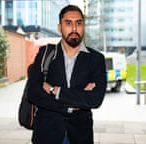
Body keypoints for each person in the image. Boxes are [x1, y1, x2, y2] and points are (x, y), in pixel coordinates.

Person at [27, 5, 107, 144]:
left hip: (80, 135)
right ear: (60, 27)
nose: (74, 29)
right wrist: (75, 101)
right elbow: (33, 93)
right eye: (68, 23)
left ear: (84, 26)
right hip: (47, 134)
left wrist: (55, 91)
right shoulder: (45, 54)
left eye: (79, 23)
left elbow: (95, 99)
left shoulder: (96, 59)